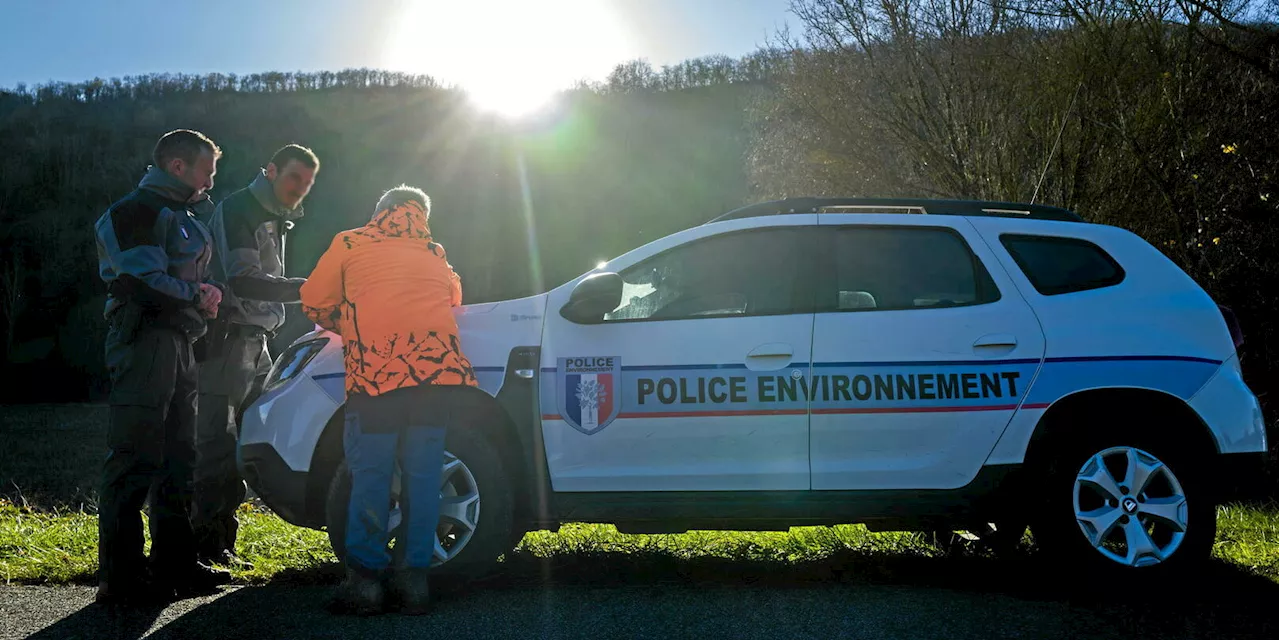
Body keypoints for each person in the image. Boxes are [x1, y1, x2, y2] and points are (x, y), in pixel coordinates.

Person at [300, 185, 478, 616]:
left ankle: (365, 586)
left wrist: (354, 325)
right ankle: (413, 583)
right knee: (422, 477)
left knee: (373, 478)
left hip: (376, 380)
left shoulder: (350, 242)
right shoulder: (435, 252)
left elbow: (313, 300)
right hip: (435, 380)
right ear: (421, 215)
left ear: (379, 212)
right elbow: (453, 297)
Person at [93, 129, 233, 606]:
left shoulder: (185, 217)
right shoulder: (135, 211)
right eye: (206, 171)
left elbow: (182, 278)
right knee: (134, 458)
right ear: (177, 166)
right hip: (143, 341)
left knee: (180, 458)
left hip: (180, 342)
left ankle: (175, 566)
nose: (211, 182)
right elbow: (139, 280)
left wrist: (207, 297)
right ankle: (121, 577)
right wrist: (198, 294)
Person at [192, 144, 318, 567]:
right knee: (216, 445)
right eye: (293, 178)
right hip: (227, 341)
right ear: (270, 169)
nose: (300, 189)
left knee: (245, 442)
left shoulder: (274, 216)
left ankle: (221, 547)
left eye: (307, 182)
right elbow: (244, 281)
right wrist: (314, 289)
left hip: (256, 339)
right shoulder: (239, 209)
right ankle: (205, 550)